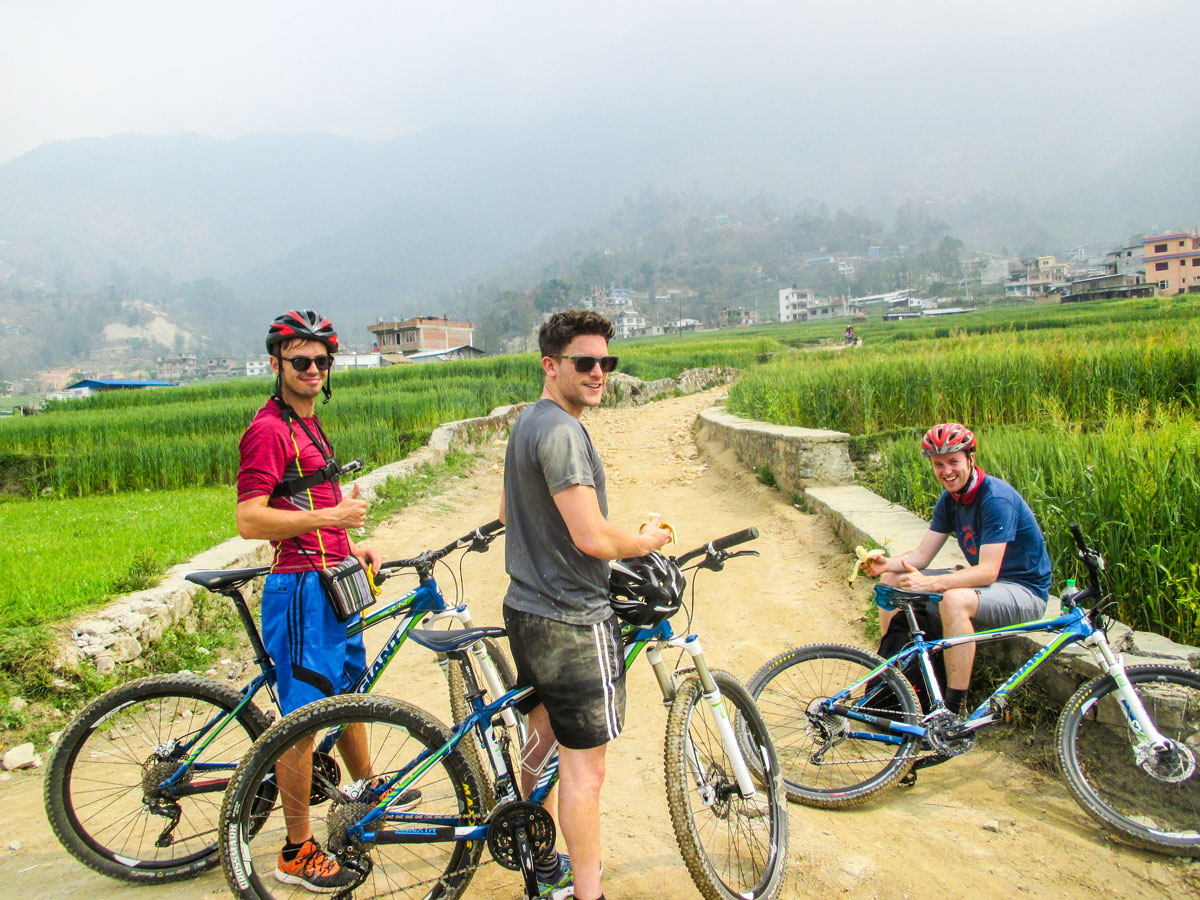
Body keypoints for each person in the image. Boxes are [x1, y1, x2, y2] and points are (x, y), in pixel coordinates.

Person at [499, 309, 672, 900]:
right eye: (585, 362)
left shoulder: (529, 423)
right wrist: (644, 540)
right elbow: (593, 538)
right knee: (585, 771)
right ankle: (588, 893)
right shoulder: (564, 432)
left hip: (525, 607)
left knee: (542, 730)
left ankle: (529, 834)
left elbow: (509, 515)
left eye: (606, 362)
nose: (599, 372)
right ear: (551, 365)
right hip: (572, 619)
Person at [236, 309, 384, 893]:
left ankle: (368, 792)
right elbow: (250, 519)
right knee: (302, 721)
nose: (314, 369)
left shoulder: (309, 425)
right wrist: (334, 517)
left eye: (323, 360)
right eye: (301, 361)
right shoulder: (269, 430)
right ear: (276, 364)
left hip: (332, 576)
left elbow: (308, 509)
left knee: (348, 695)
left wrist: (352, 544)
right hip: (300, 588)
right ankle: (296, 849)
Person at [861, 422, 1051, 715]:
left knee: (953, 599)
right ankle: (895, 671)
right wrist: (888, 564)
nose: (946, 471)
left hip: (1022, 590)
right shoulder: (950, 500)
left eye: (953, 461)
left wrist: (932, 585)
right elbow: (922, 556)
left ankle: (952, 709)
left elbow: (988, 571)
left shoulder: (995, 499)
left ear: (970, 459)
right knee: (892, 579)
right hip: (989, 587)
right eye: (938, 465)